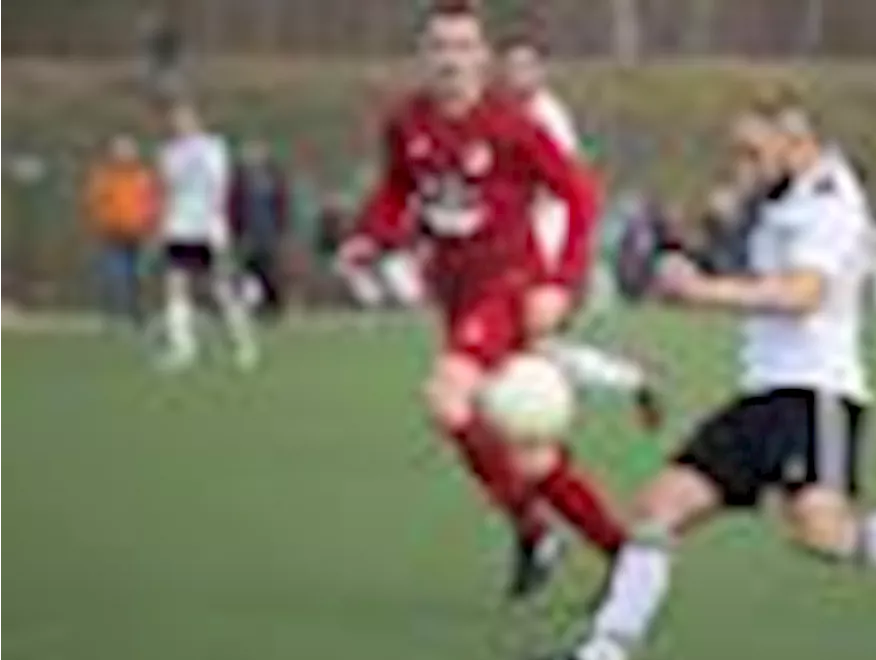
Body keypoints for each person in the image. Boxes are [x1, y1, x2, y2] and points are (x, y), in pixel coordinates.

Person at [522, 96, 876, 660]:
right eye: (738, 151)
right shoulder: (777, 188)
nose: (742, 165)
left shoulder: (829, 202)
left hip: (817, 394)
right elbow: (729, 242)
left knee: (825, 532)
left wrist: (703, 291)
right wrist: (684, 250)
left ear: (795, 138)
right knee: (658, 511)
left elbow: (802, 294)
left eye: (753, 151)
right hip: (760, 393)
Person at [339, 2, 627, 600]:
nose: (451, 59)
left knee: (448, 399)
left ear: (483, 58)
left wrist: (560, 280)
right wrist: (371, 236)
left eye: (464, 47)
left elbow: (578, 195)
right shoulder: (406, 122)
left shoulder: (513, 125)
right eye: (440, 47)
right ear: (425, 57)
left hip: (510, 288)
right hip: (456, 293)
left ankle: (532, 526)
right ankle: (620, 557)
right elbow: (397, 192)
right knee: (528, 455)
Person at [496, 33, 660, 428]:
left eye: (526, 66)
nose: (517, 74)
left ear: (540, 72)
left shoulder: (547, 117)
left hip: (548, 250)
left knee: (531, 344)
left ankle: (596, 392)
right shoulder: (506, 114)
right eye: (511, 66)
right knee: (529, 346)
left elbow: (566, 184)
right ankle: (628, 381)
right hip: (522, 247)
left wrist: (563, 265)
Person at [156, 101, 259, 371]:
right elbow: (168, 188)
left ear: (196, 121)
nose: (180, 126)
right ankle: (183, 348)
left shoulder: (212, 148)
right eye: (176, 121)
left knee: (220, 288)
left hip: (208, 228)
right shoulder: (168, 153)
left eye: (185, 120)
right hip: (179, 227)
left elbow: (218, 184)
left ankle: (243, 344)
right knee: (175, 286)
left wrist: (215, 222)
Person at [84, 133, 160, 328]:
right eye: (119, 150)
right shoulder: (104, 176)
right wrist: (101, 223)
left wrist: (151, 225)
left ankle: (138, 314)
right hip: (112, 233)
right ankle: (115, 314)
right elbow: (95, 202)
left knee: (138, 277)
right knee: (115, 276)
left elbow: (152, 201)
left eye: (127, 149)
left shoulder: (143, 176)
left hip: (138, 233)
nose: (123, 154)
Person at [229, 139, 291, 319]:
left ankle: (272, 305)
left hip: (268, 230)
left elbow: (281, 204)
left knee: (268, 270)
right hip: (249, 231)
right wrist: (236, 229)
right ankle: (254, 305)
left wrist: (280, 227)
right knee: (249, 270)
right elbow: (234, 206)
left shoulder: (272, 177)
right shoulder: (241, 180)